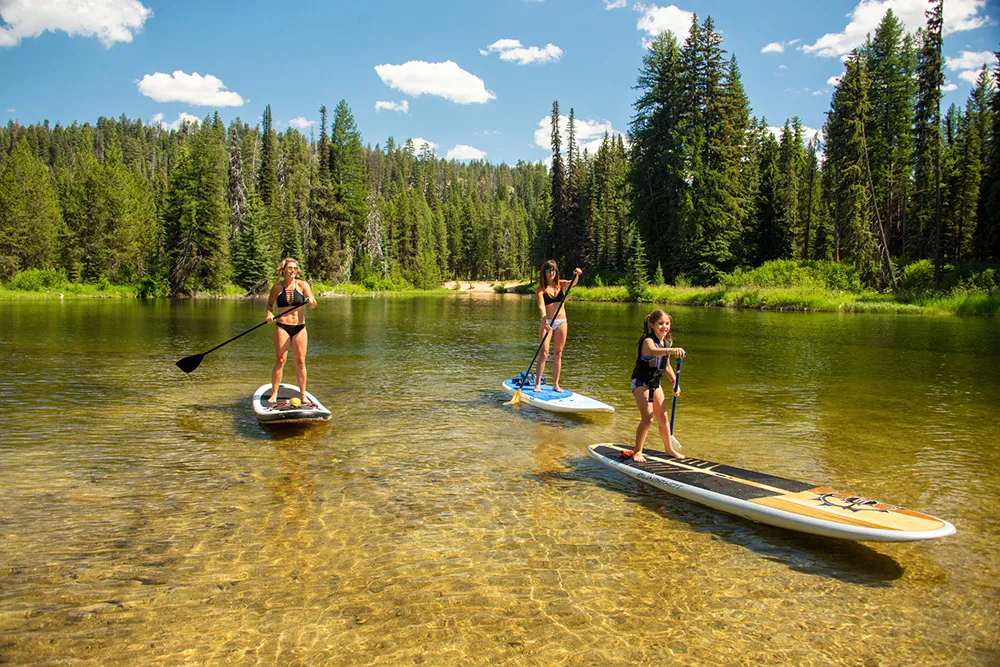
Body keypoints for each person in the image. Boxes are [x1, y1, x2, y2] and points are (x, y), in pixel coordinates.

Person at [630, 310, 686, 463]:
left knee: (663, 417)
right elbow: (655, 353)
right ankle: (638, 451)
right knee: (648, 419)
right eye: (660, 323)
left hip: (655, 383)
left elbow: (666, 365)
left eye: (667, 324)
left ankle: (669, 449)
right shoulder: (648, 341)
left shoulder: (667, 342)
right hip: (641, 382)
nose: (664, 327)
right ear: (652, 324)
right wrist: (672, 350)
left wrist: (675, 382)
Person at [265, 258, 317, 407]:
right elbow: (269, 305)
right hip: (282, 326)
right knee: (280, 361)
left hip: (300, 327)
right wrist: (269, 314)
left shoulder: (302, 285)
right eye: (290, 268)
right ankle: (274, 393)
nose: (293, 271)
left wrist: (311, 300)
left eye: (295, 268)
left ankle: (303, 395)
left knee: (300, 362)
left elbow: (313, 303)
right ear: (283, 270)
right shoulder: (276, 288)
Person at [533, 260, 583, 393]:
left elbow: (573, 283)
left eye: (554, 270)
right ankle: (537, 384)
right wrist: (545, 320)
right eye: (549, 271)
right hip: (547, 322)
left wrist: (577, 274)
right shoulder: (540, 290)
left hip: (562, 322)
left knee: (558, 353)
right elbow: (541, 307)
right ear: (544, 273)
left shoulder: (560, 285)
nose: (551, 273)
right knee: (544, 353)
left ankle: (556, 384)